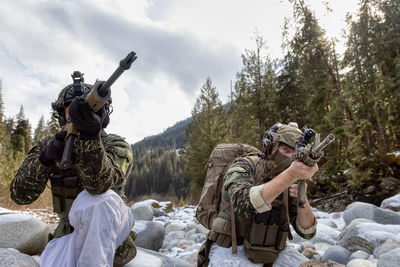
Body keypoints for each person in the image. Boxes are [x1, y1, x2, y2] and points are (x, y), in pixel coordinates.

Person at [10, 72, 136, 266]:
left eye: (86, 113)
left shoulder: (116, 145)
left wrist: (90, 138)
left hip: (111, 231)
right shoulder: (50, 144)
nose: (77, 120)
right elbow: (20, 195)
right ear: (61, 117)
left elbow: (98, 187)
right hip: (68, 232)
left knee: (97, 201)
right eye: (72, 114)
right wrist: (44, 160)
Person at [199, 122, 318, 267]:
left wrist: (302, 198)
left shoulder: (291, 177)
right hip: (231, 249)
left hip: (273, 252)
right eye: (285, 150)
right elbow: (243, 205)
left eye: (293, 154)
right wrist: (291, 174)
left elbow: (307, 232)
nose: (289, 158)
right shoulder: (244, 165)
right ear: (270, 147)